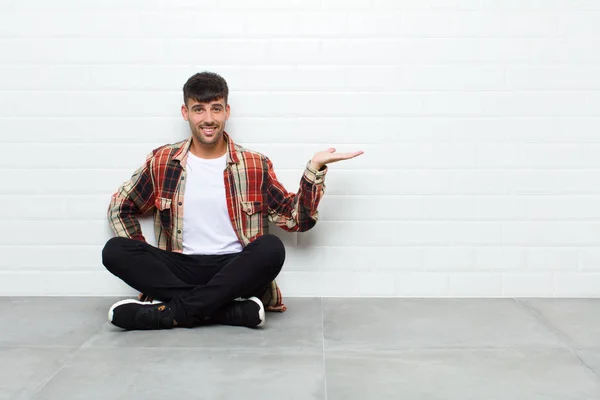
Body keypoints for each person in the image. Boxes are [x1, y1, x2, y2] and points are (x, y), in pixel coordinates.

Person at [101, 72, 363, 331]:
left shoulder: (254, 164)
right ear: (185, 112)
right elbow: (120, 207)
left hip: (233, 269)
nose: (208, 119)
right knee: (115, 250)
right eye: (198, 109)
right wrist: (149, 261)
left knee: (271, 248)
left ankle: (170, 312)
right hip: (179, 267)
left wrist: (314, 170)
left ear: (227, 111)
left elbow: (298, 220)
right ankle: (227, 310)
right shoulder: (162, 161)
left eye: (216, 109)